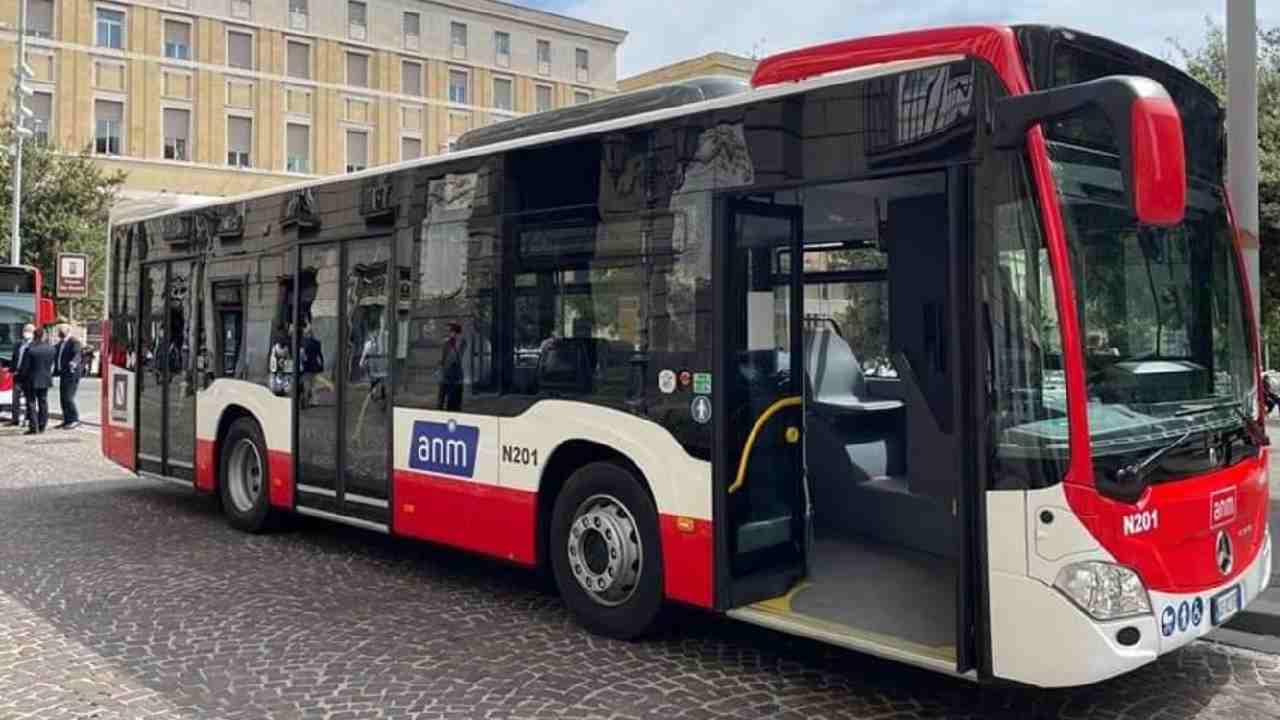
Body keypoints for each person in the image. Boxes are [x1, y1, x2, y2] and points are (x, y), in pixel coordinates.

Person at [19, 327, 56, 434]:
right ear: (43, 336)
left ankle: (33, 427)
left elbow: (25, 367)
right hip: (45, 378)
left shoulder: (30, 349)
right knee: (43, 402)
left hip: (31, 379)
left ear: (34, 336)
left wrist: (21, 378)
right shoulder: (51, 349)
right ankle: (42, 425)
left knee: (31, 403)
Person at [53, 324, 83, 429]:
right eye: (58, 331)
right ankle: (66, 420)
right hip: (63, 373)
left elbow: (77, 354)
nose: (59, 333)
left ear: (68, 331)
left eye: (61, 331)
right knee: (63, 398)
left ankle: (74, 419)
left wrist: (73, 363)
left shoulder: (74, 342)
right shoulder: (60, 343)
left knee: (68, 397)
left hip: (72, 373)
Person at [8, 324, 33, 426]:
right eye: (25, 330)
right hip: (17, 375)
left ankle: (28, 419)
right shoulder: (18, 344)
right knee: (15, 398)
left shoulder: (34, 345)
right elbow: (14, 358)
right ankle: (15, 419)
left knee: (29, 399)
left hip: (28, 376)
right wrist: (11, 370)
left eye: (29, 331)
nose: (26, 332)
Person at [438, 322, 466, 411]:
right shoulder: (447, 343)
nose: (449, 333)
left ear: (456, 333)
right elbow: (443, 359)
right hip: (446, 376)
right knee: (442, 400)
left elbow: (455, 358)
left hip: (455, 377)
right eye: (449, 331)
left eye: (451, 331)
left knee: (454, 403)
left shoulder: (461, 343)